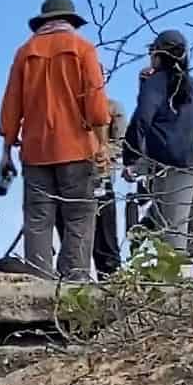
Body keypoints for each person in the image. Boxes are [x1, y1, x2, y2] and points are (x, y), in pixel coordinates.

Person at [0, 0, 113, 281]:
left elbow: (11, 106)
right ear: (71, 21)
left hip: (35, 151)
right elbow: (96, 104)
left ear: (43, 22)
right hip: (76, 148)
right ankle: (74, 286)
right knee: (79, 218)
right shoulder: (83, 48)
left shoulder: (24, 52)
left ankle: (39, 285)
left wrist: (6, 150)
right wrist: (102, 143)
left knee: (38, 219)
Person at [121, 30, 193, 276]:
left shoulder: (157, 82)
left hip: (176, 167)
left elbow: (143, 120)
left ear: (156, 54)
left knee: (174, 232)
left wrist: (131, 159)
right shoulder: (190, 84)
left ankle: (175, 299)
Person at [90, 95, 128, 278]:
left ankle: (111, 283)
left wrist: (103, 153)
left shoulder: (112, 107)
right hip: (73, 180)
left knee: (105, 239)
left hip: (100, 179)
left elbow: (121, 144)